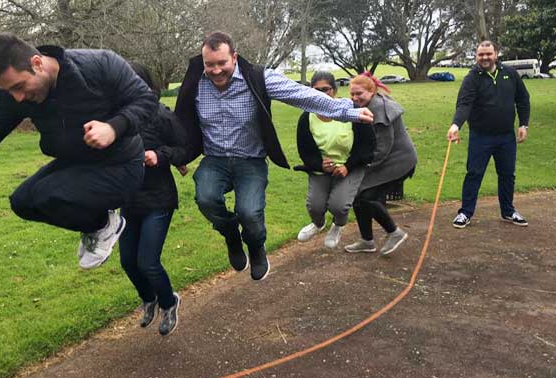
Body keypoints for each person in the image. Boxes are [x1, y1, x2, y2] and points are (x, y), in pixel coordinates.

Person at [0, 33, 158, 269]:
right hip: (76, 163)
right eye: (9, 90)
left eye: (19, 87)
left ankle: (104, 225)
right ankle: (98, 225)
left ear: (37, 63)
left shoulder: (99, 64)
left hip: (122, 164)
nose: (18, 98)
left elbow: (147, 100)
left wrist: (113, 127)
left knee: (47, 194)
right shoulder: (12, 96)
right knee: (22, 201)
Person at [175, 31, 373, 281]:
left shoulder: (257, 77)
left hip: (250, 160)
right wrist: (176, 152)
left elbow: (301, 94)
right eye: (209, 64)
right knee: (205, 198)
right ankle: (231, 236)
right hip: (214, 159)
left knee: (249, 213)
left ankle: (256, 247)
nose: (215, 70)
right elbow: (180, 118)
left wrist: (347, 111)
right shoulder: (196, 81)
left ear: (234, 57)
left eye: (221, 63)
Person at [119, 63, 189, 336]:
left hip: (158, 199)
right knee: (128, 261)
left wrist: (160, 156)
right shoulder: (117, 119)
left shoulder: (162, 116)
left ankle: (170, 303)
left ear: (147, 87)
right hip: (128, 199)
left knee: (147, 260)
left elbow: (184, 149)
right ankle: (150, 299)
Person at [447, 40, 530, 229]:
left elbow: (523, 100)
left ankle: (508, 211)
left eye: (488, 54)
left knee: (507, 175)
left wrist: (524, 124)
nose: (484, 58)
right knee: (474, 174)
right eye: (481, 54)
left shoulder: (510, 74)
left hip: (506, 136)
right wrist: (455, 125)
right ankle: (465, 213)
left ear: (496, 54)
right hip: (480, 136)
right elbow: (464, 104)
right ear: (476, 56)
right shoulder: (472, 78)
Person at [294, 71, 376, 249]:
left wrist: (348, 166)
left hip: (350, 166)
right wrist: (319, 164)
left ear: (335, 90)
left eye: (326, 89)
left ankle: (338, 225)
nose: (322, 94)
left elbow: (367, 146)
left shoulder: (351, 113)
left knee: (338, 205)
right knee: (315, 206)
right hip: (321, 168)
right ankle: (318, 223)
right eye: (316, 90)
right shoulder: (306, 117)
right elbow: (304, 150)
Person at [344, 73, 417, 256]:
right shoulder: (369, 105)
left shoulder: (378, 109)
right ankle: (367, 241)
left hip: (399, 160)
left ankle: (394, 233)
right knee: (358, 195)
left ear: (371, 91)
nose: (354, 98)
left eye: (359, 93)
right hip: (386, 159)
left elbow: (383, 148)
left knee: (367, 196)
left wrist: (361, 167)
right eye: (352, 94)